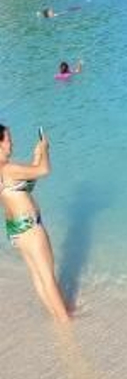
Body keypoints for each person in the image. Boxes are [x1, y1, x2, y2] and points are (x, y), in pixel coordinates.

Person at [0, 122, 72, 323]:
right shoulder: (8, 168)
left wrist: (36, 158)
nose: (11, 143)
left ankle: (55, 314)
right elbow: (44, 170)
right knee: (47, 276)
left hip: (15, 229)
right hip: (30, 227)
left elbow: (22, 187)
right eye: (8, 138)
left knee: (37, 275)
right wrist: (44, 150)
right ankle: (65, 321)